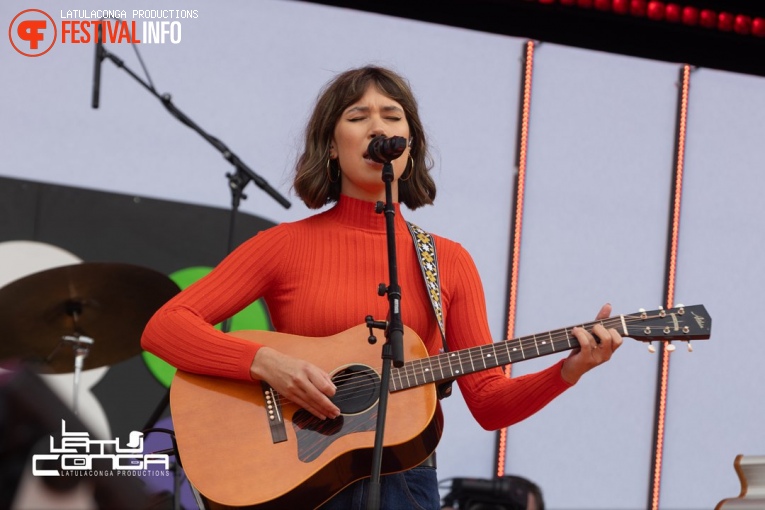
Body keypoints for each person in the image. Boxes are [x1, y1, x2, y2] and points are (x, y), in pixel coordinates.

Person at [141, 65, 622, 510]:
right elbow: (164, 328)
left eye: (393, 116)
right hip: (296, 480)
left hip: (405, 484)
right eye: (358, 115)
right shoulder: (282, 245)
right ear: (331, 145)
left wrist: (569, 369)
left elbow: (490, 404)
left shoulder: (448, 261)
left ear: (408, 144)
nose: (379, 127)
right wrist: (264, 364)